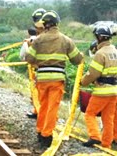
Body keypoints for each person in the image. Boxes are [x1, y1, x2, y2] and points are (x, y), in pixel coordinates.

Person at [25, 10, 83, 147]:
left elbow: (29, 58)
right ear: (57, 23)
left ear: (45, 24)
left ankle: (40, 130)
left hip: (42, 79)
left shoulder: (39, 40)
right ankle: (46, 135)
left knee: (43, 106)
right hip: (57, 80)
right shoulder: (66, 40)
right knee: (52, 108)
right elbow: (77, 59)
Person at [80, 25, 117, 148]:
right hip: (114, 92)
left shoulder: (100, 53)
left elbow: (93, 74)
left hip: (102, 91)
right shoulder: (115, 51)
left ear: (100, 37)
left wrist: (83, 81)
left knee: (90, 113)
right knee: (108, 118)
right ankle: (106, 144)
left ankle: (95, 137)